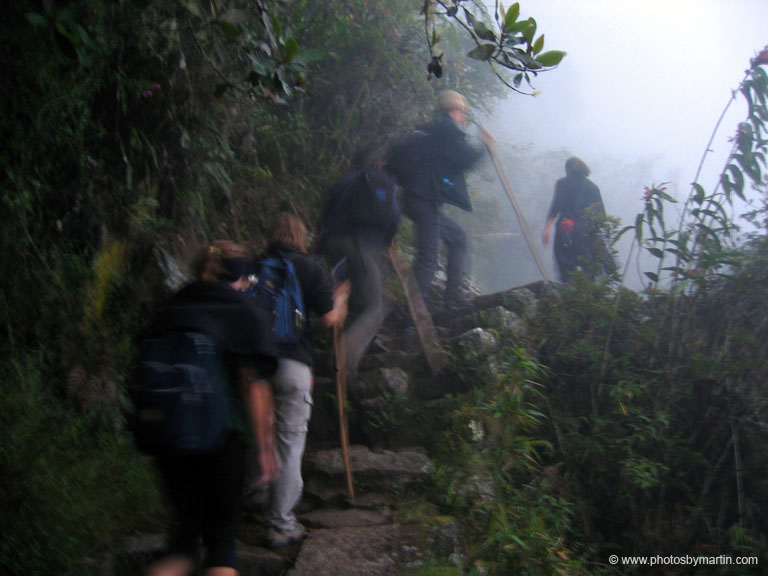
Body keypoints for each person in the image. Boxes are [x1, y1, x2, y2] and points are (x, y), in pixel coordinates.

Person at [146, 240, 279, 576]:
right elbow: (254, 385)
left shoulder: (173, 305)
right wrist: (266, 448)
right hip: (223, 437)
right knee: (220, 541)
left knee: (183, 539)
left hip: (169, 434)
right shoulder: (242, 311)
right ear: (243, 276)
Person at [262, 212, 348, 548]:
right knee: (289, 441)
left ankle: (254, 496)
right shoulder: (309, 268)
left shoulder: (256, 265)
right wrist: (340, 296)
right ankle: (280, 523)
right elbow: (330, 318)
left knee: (259, 433)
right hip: (291, 364)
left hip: (252, 365)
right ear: (301, 236)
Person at [389, 89, 495, 309]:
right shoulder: (446, 128)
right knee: (427, 259)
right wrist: (486, 146)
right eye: (463, 112)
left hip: (413, 198)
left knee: (458, 238)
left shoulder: (431, 129)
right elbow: (465, 158)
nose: (464, 117)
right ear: (454, 111)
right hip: (425, 199)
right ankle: (414, 317)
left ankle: (452, 299)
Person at [317, 145, 400, 375]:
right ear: (380, 163)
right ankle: (342, 359)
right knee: (375, 306)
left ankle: (334, 349)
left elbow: (324, 215)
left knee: (350, 295)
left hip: (333, 244)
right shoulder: (382, 180)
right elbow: (393, 220)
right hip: (362, 246)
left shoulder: (343, 180)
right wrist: (387, 241)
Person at [542, 157, 615, 282]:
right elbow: (601, 215)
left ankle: (568, 294)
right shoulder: (593, 187)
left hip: (565, 229)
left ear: (567, 169)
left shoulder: (562, 183)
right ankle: (589, 294)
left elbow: (556, 206)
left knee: (565, 266)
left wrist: (547, 228)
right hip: (586, 231)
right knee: (588, 266)